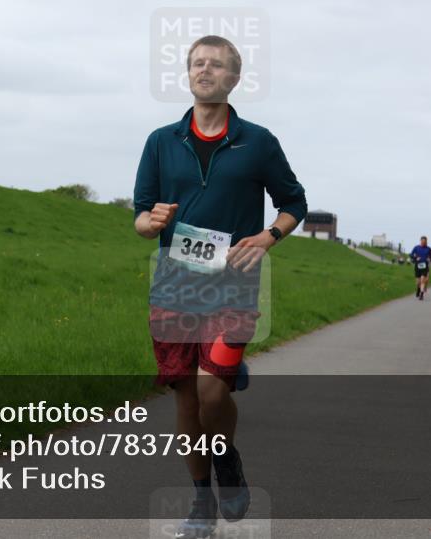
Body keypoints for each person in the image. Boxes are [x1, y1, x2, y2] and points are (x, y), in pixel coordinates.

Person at [134, 35, 307, 539]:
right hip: (174, 286)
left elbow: (293, 201)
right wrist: (152, 220)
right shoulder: (161, 141)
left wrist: (268, 236)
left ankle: (225, 456)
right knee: (186, 398)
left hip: (234, 287)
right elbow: (141, 217)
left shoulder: (258, 142)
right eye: (197, 63)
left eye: (216, 65)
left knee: (213, 391)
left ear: (234, 79)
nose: (204, 70)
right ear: (188, 75)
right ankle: (201, 503)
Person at [409, 236, 431, 300]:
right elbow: (411, 255)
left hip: (425, 266)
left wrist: (430, 260)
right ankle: (418, 289)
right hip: (417, 265)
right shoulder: (416, 247)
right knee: (418, 282)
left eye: (425, 242)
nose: (423, 243)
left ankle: (421, 294)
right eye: (422, 241)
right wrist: (415, 258)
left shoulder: (429, 248)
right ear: (420, 241)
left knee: (423, 280)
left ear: (426, 242)